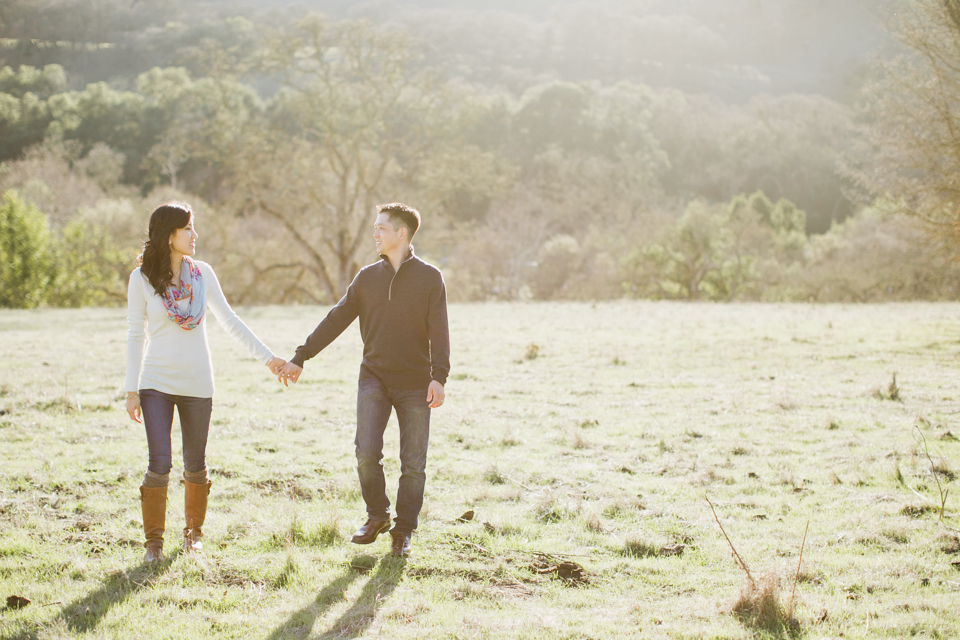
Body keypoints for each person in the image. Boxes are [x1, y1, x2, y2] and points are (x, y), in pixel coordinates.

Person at [276, 202, 449, 557]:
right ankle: (377, 516)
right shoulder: (367, 278)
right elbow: (337, 318)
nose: (375, 234)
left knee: (413, 462)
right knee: (366, 452)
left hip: (416, 382)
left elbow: (440, 331)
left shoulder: (430, 278)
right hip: (374, 377)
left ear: (401, 233)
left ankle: (403, 532)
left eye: (381, 228)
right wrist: (301, 356)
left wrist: (439, 377)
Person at [125, 201, 285, 562]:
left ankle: (193, 535)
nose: (195, 236)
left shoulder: (203, 275)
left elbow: (230, 320)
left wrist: (269, 357)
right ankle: (154, 544)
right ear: (169, 236)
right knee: (159, 464)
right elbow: (136, 334)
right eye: (188, 229)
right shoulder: (141, 279)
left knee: (195, 464)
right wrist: (131, 390)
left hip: (198, 383)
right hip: (156, 383)